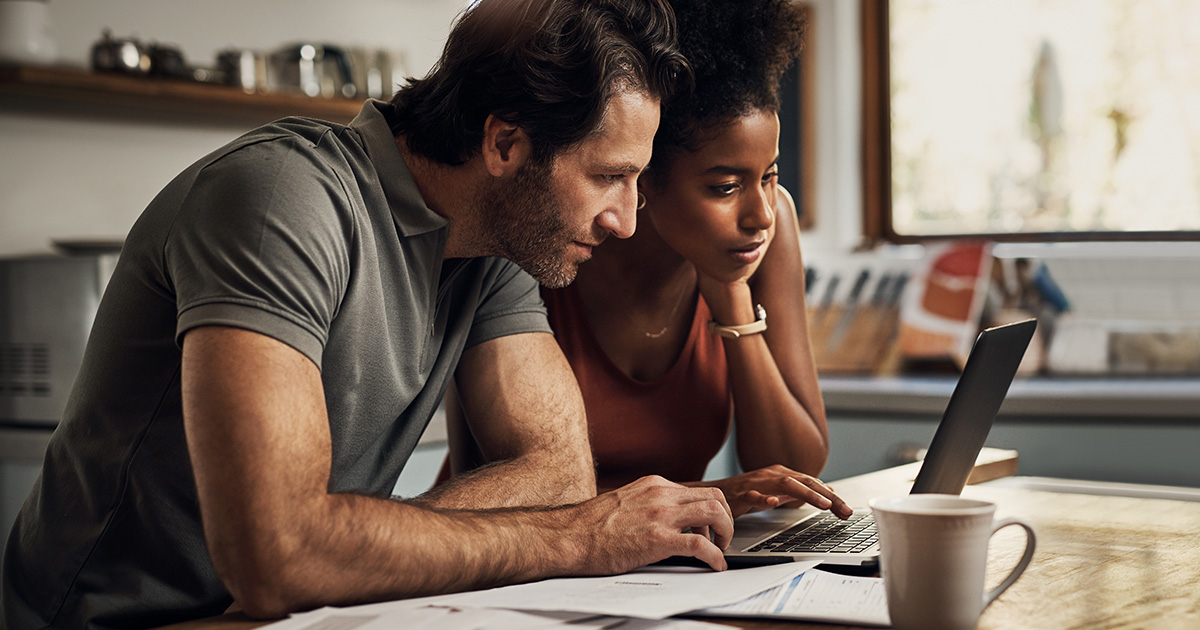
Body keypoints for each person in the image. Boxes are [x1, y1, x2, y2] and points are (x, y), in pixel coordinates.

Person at [0, 1, 752, 628]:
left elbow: (557, 474)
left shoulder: (495, 245)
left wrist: (362, 547)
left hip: (294, 615)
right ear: (505, 143)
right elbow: (281, 555)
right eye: (609, 177)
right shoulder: (281, 199)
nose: (626, 219)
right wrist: (579, 540)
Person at [442, 0, 853, 521]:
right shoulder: (545, 239)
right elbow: (496, 482)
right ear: (644, 174)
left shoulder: (764, 234)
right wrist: (715, 495)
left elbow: (795, 470)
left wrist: (730, 295)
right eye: (724, 186)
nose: (761, 214)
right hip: (513, 555)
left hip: (660, 567)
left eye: (769, 175)